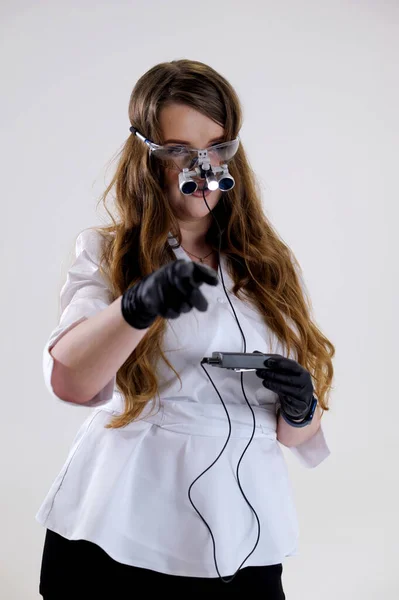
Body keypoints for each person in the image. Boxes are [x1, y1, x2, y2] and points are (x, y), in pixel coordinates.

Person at [37, 59, 335, 598]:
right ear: (146, 157)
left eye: (216, 147)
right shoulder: (108, 253)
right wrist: (135, 307)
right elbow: (71, 382)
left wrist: (301, 407)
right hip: (120, 531)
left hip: (241, 532)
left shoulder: (267, 266)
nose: (200, 165)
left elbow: (295, 436)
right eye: (177, 150)